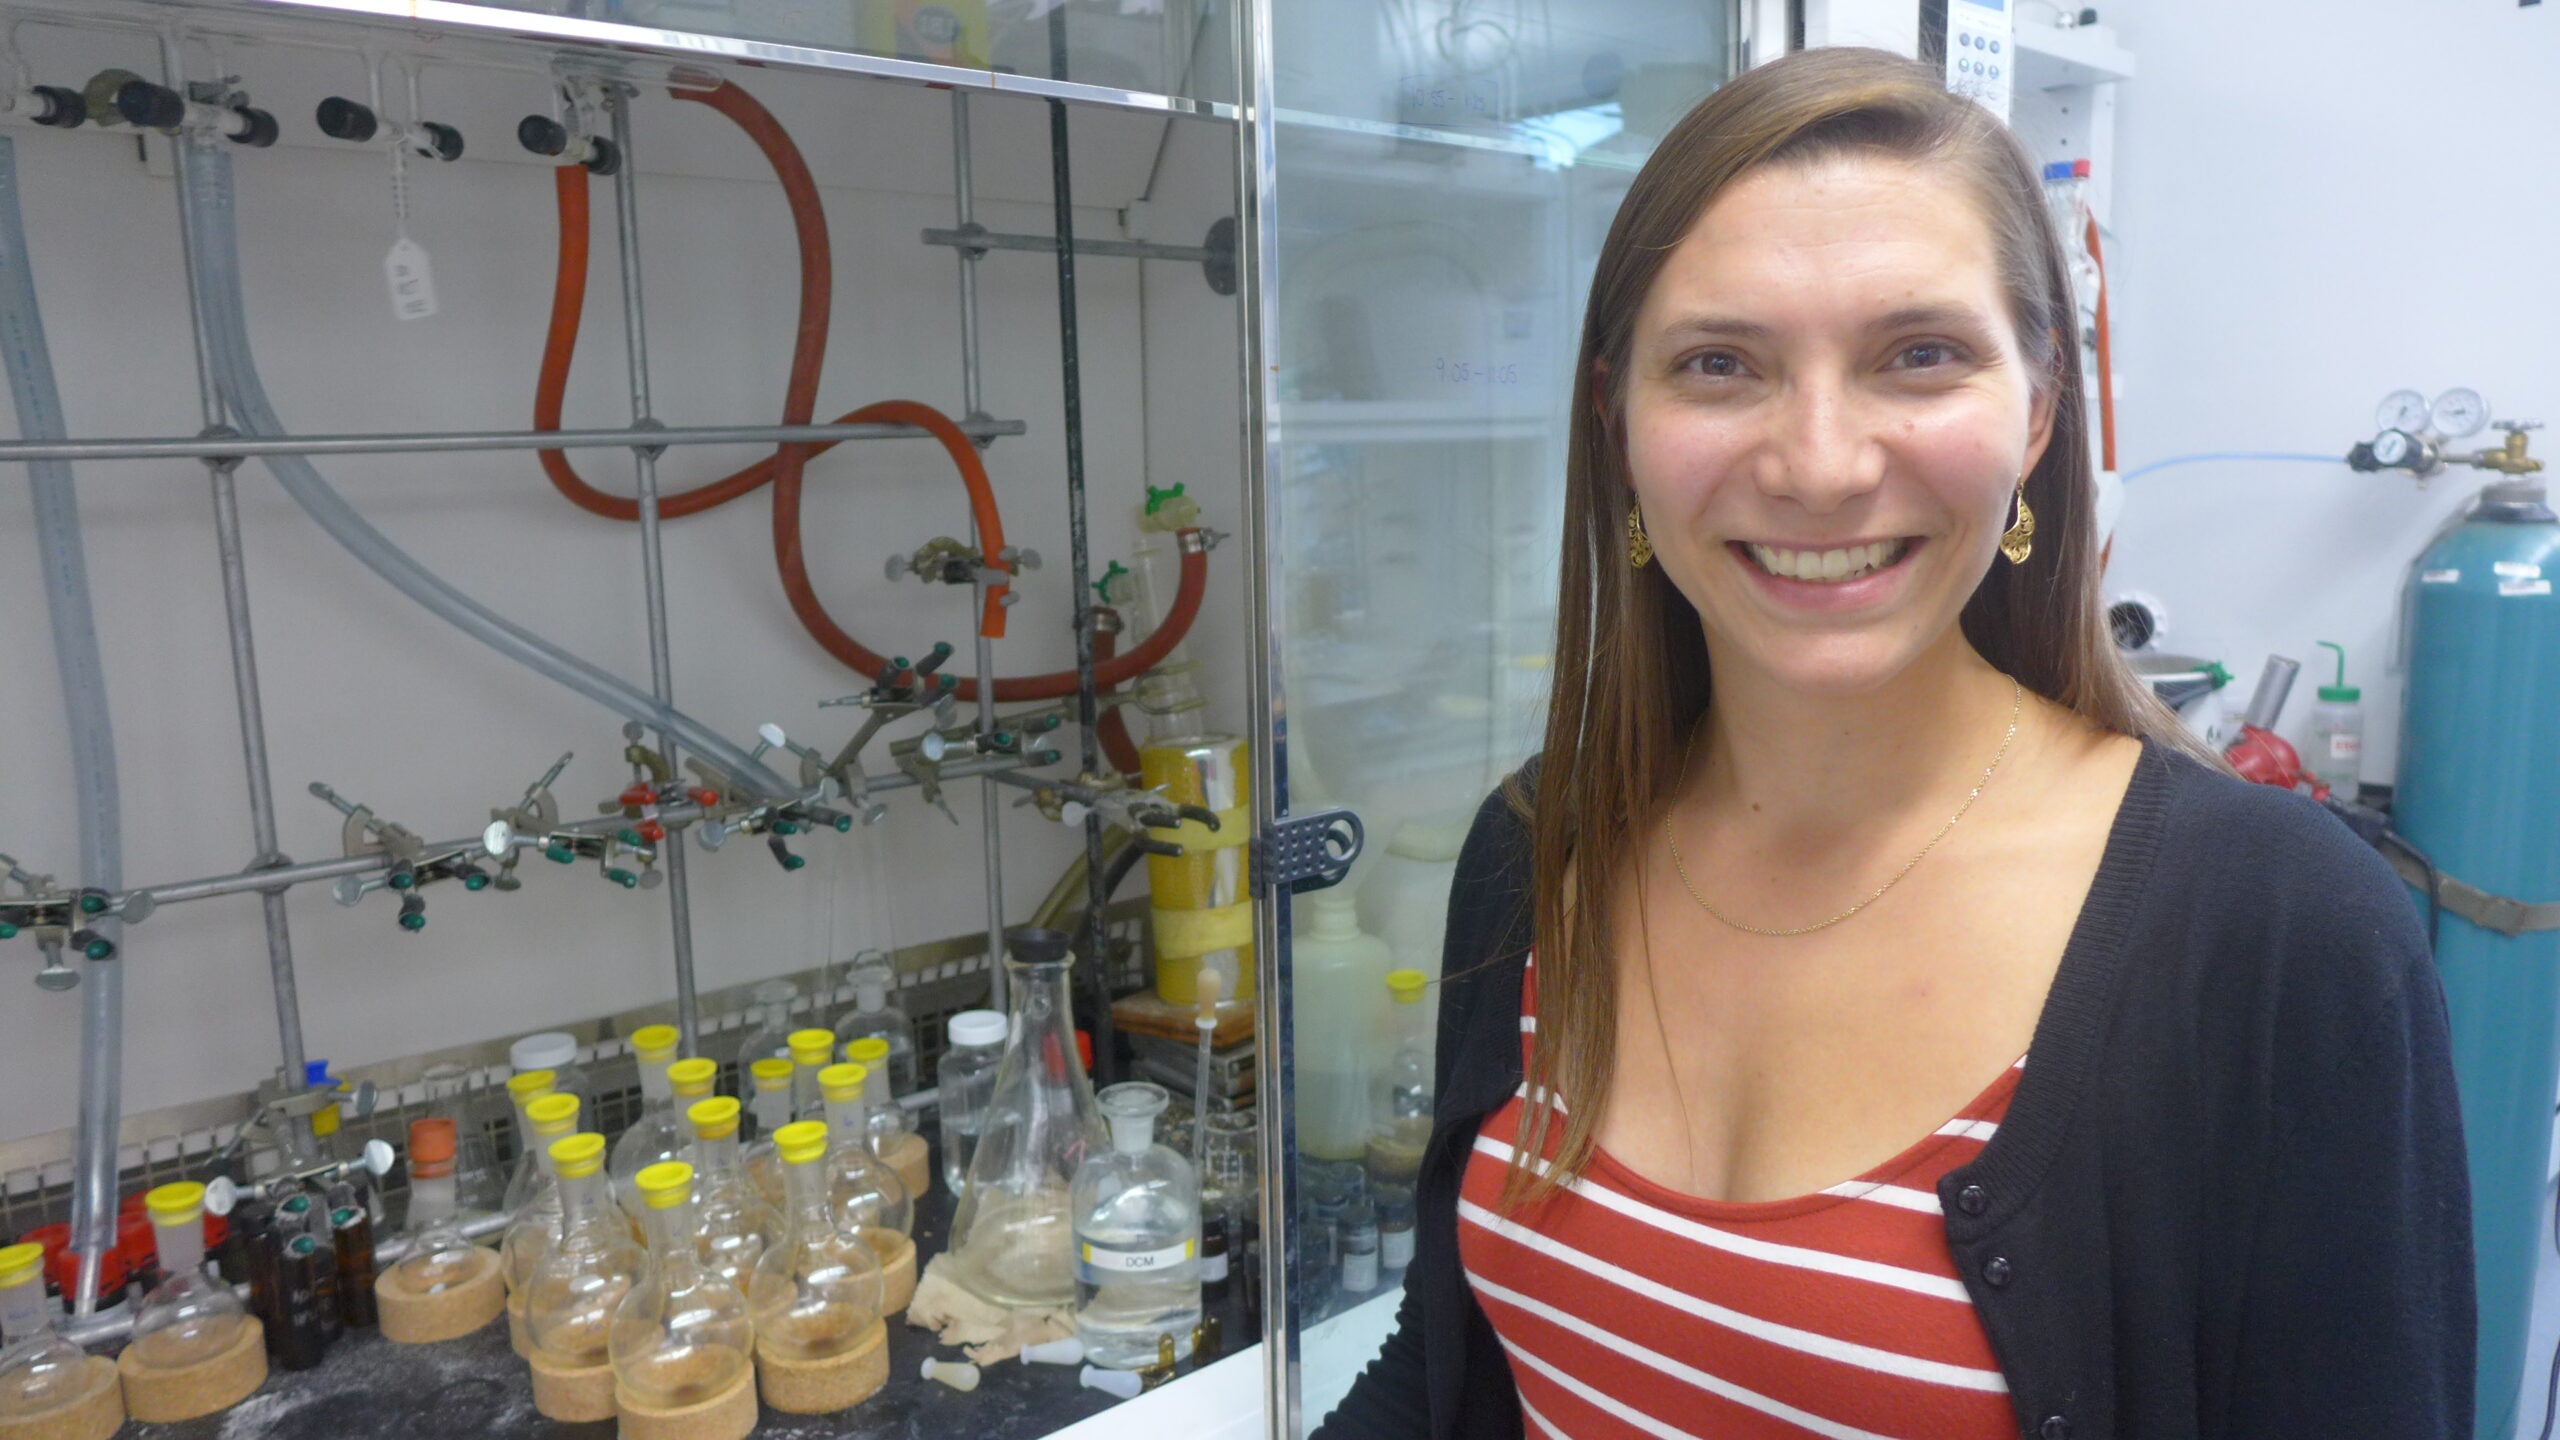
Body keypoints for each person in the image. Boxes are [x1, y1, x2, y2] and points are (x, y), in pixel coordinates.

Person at [1312, 46, 2471, 1440]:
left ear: (2039, 411)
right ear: (1618, 422)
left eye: (1918, 356)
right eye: (1721, 364)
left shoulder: (2279, 935)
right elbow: (1447, 1371)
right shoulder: (1540, 847)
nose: (1819, 462)